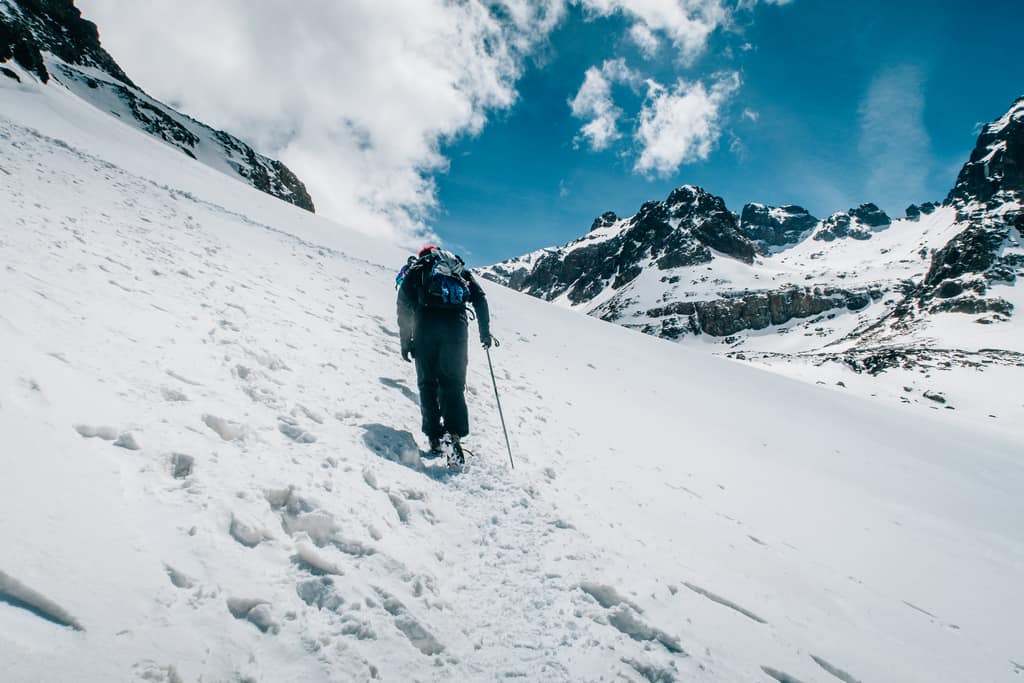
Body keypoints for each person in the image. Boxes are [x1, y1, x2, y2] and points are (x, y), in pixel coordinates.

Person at [396, 245, 492, 466]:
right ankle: (453, 435)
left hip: (424, 328)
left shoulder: (418, 269)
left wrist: (406, 340)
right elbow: (480, 298)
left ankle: (434, 437)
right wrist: (485, 332)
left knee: (427, 383)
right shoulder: (458, 270)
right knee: (453, 383)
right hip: (456, 329)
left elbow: (404, 304)